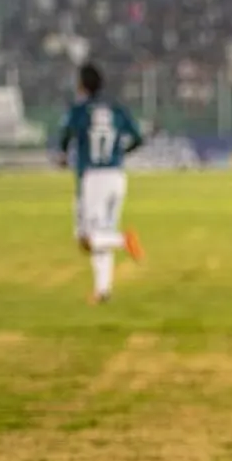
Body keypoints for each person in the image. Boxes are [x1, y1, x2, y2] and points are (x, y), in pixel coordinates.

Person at [57, 63, 145, 304]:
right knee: (101, 235)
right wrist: (120, 153)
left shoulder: (80, 110)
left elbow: (66, 134)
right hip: (116, 176)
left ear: (82, 85)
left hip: (93, 179)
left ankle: (123, 241)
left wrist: (63, 155)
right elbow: (138, 138)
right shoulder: (117, 109)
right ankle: (103, 290)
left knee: (86, 237)